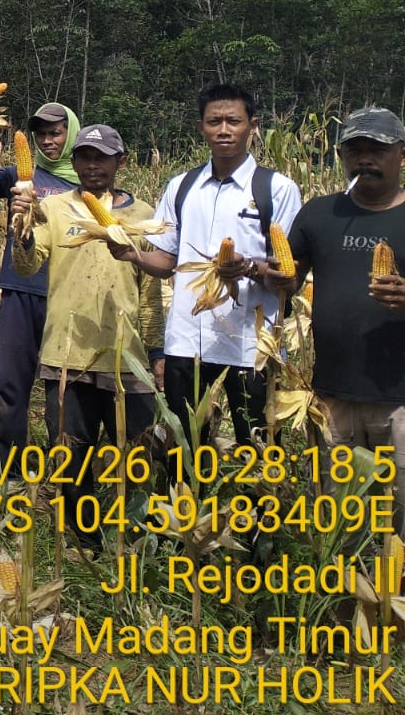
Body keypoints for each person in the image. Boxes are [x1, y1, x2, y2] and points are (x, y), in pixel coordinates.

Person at [117, 83, 300, 452]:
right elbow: (167, 259)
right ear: (201, 127)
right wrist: (135, 256)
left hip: (251, 347)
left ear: (253, 126)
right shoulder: (182, 187)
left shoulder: (276, 189)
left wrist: (248, 268)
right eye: (214, 121)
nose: (224, 129)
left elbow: (289, 275)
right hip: (188, 344)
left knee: (259, 450)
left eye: (234, 120)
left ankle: (261, 511)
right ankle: (186, 508)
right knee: (184, 451)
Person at [12, 124, 163, 548]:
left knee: (137, 451)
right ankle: (84, 539)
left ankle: (134, 532)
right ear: (73, 162)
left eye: (102, 158)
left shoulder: (144, 214)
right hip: (67, 353)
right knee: (71, 451)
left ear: (121, 162)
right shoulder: (54, 208)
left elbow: (151, 293)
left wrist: (156, 351)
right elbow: (28, 264)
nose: (92, 166)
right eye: (84, 158)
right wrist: (21, 227)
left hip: (126, 355)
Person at [283, 107, 405, 522]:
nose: (364, 159)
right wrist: (258, 270)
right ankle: (343, 586)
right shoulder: (320, 213)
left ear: (402, 155)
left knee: (398, 518)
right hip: (332, 396)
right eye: (354, 150)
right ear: (341, 156)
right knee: (338, 518)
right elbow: (288, 281)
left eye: (377, 150)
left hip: (399, 402)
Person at [0, 101, 80, 471]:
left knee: (62, 389)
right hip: (20, 288)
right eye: (42, 134)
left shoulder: (85, 181)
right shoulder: (21, 176)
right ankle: (11, 464)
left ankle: (64, 465)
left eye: (56, 133)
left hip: (65, 293)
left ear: (71, 133)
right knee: (12, 382)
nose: (47, 141)